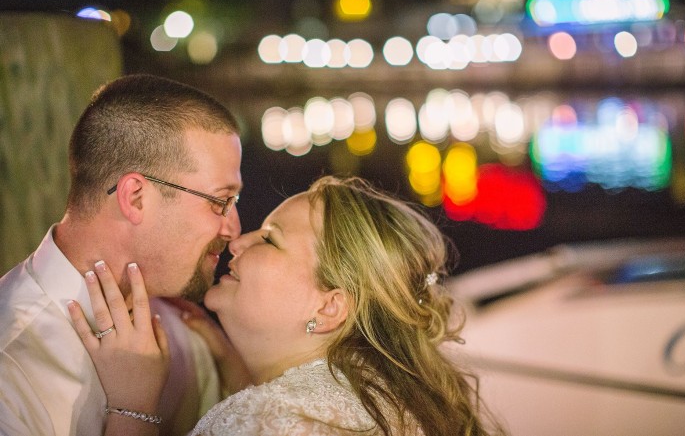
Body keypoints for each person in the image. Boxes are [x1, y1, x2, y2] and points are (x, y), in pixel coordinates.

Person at [69, 176, 501, 436]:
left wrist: (132, 407)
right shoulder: (384, 395)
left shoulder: (270, 420)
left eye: (270, 239)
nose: (237, 242)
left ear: (330, 308)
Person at [0, 74, 244, 436]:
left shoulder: (185, 334)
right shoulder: (11, 359)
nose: (233, 229)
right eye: (220, 201)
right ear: (135, 197)